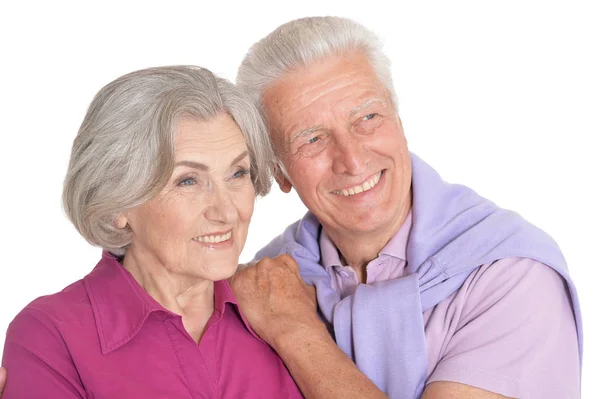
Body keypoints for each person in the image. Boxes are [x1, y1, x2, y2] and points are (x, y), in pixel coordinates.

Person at [228, 16, 583, 398]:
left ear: (398, 121)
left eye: (367, 117)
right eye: (312, 139)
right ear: (279, 171)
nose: (351, 159)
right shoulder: (260, 284)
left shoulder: (511, 274)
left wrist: (296, 331)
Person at [0, 66, 303, 398]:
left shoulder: (284, 307)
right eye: (187, 181)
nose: (228, 211)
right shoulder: (52, 337)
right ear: (117, 204)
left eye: (237, 173)